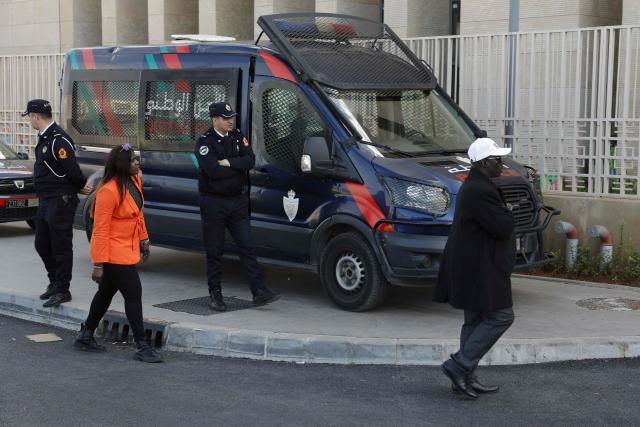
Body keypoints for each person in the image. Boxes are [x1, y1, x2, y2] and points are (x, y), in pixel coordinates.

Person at [433, 137, 516, 399]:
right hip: (479, 265)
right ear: (482, 163)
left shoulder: (476, 185)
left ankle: (465, 376)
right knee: (502, 316)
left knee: (476, 319)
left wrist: (503, 211)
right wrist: (508, 212)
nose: (501, 164)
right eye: (496, 160)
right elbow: (501, 226)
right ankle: (459, 365)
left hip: (469, 262)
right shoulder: (481, 190)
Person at [73, 144, 162, 363]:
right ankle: (142, 345)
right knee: (133, 293)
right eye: (133, 160)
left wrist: (144, 240)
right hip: (112, 252)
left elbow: (138, 216)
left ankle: (86, 335)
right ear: (122, 165)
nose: (137, 163)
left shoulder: (133, 182)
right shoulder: (107, 191)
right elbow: (100, 230)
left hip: (126, 248)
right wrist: (99, 263)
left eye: (136, 159)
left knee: (105, 294)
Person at [195, 102, 280, 311]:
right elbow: (213, 171)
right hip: (214, 203)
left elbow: (250, 160)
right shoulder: (205, 142)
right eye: (226, 118)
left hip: (237, 202)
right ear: (215, 119)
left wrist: (229, 163)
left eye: (231, 117)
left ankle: (258, 291)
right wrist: (235, 165)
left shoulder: (237, 136)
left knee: (247, 247)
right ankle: (215, 294)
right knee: (215, 251)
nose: (230, 121)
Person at [23, 99, 92, 308]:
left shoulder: (58, 140)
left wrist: (79, 185)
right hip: (46, 199)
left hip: (60, 200)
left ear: (35, 116)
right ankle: (54, 282)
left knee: (60, 246)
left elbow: (72, 170)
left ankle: (63, 289)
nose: (29, 121)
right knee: (41, 243)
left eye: (29, 117)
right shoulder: (46, 138)